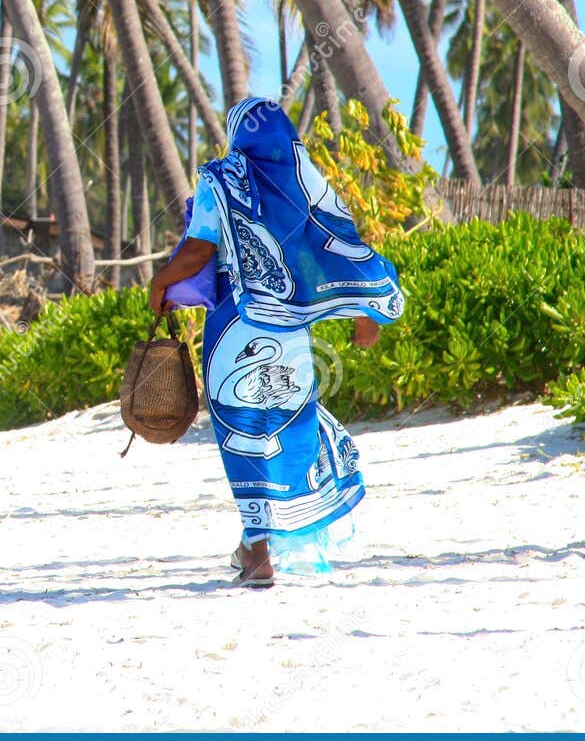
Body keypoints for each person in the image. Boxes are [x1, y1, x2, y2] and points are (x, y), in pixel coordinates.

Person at [149, 97, 403, 588]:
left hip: (234, 324)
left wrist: (159, 283)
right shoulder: (304, 185)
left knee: (241, 429)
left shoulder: (221, 180)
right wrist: (362, 309)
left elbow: (199, 249)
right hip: (287, 331)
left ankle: (258, 552)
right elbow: (335, 248)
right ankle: (258, 544)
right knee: (284, 423)